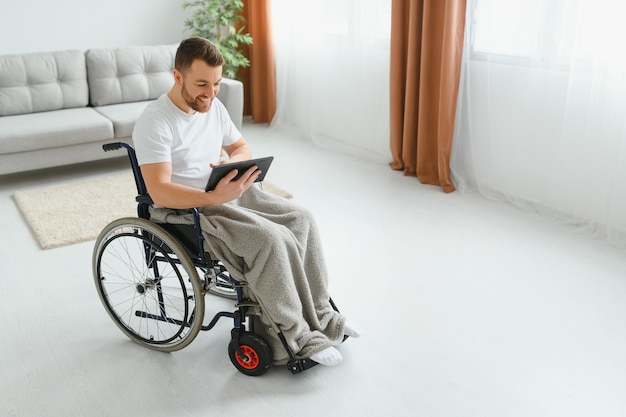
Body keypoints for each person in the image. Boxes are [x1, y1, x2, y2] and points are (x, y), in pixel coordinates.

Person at [132, 37, 359, 366]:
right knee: (270, 238)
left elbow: (241, 148)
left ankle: (324, 317)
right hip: (189, 210)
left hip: (229, 193)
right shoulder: (156, 121)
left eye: (217, 84)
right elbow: (160, 192)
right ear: (177, 77)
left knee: (302, 219)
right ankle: (296, 334)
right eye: (201, 85)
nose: (210, 94)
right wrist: (213, 196)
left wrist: (233, 167)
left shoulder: (214, 107)